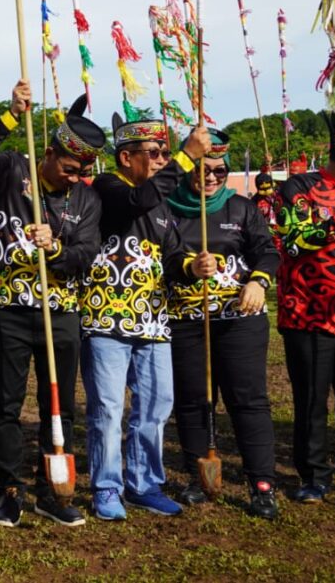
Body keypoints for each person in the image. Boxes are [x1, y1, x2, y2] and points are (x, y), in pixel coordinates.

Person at [0, 87, 104, 528]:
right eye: (67, 169)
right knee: (6, 403)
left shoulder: (86, 199)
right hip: (8, 309)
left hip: (60, 314)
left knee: (57, 402)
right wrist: (9, 116)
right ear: (48, 153)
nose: (73, 178)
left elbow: (86, 254)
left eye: (82, 172)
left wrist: (57, 247)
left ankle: (52, 491)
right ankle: (8, 489)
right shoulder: (13, 169)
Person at [78, 113, 210, 521]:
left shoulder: (163, 208)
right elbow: (138, 201)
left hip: (153, 321)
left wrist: (192, 267)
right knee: (108, 408)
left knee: (156, 405)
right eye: (153, 153)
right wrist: (187, 157)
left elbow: (172, 258)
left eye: (165, 153)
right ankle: (106, 486)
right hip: (106, 319)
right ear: (124, 157)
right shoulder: (108, 189)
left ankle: (143, 482)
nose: (160, 160)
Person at [165, 129, 279, 518]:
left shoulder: (242, 207)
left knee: (248, 400)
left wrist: (258, 282)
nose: (211, 177)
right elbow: (164, 257)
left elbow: (266, 251)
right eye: (202, 169)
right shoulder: (168, 208)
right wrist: (189, 267)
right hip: (186, 319)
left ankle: (261, 484)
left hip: (238, 320)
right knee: (194, 400)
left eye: (218, 170)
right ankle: (199, 475)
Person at [274, 113, 335, 503]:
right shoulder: (302, 186)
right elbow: (295, 241)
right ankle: (314, 474)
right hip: (308, 312)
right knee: (312, 400)